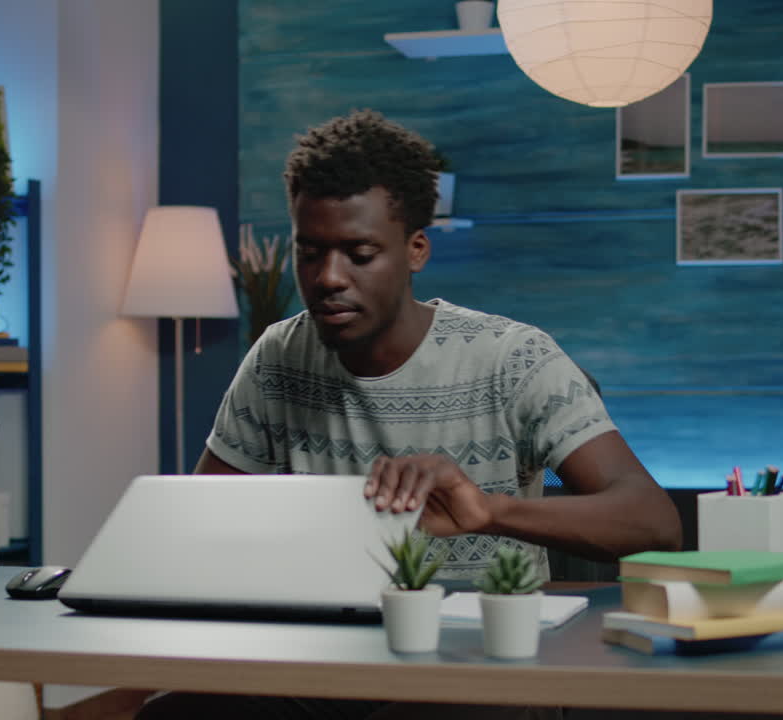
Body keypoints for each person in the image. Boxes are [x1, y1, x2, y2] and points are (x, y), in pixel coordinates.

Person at [136, 109, 680, 720]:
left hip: (485, 665)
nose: (328, 278)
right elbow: (202, 523)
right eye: (309, 253)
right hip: (327, 659)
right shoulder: (278, 358)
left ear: (415, 250)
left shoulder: (513, 357)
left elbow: (653, 521)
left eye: (359, 253)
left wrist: (491, 511)